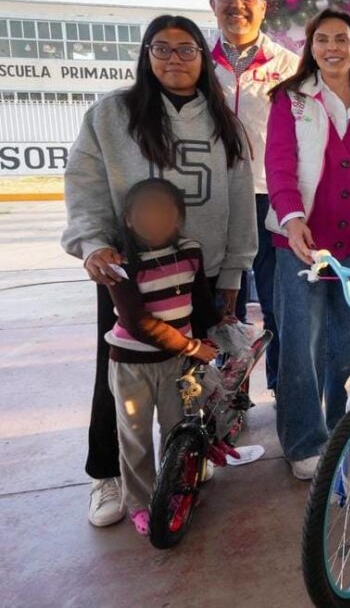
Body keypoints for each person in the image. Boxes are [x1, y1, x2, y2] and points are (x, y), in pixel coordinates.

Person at [62, 14, 256, 528]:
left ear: (203, 57)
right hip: (126, 274)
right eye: (162, 48)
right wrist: (93, 245)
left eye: (186, 49)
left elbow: (239, 201)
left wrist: (233, 272)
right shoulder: (111, 115)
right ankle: (108, 474)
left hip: (197, 271)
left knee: (188, 376)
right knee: (120, 376)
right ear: (146, 55)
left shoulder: (224, 123)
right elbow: (83, 185)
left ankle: (183, 458)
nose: (174, 58)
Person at [265, 8, 350, 480]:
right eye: (322, 39)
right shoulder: (291, 99)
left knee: (345, 344)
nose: (332, 47)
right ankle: (303, 441)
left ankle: (338, 425)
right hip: (298, 244)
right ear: (311, 48)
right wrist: (292, 219)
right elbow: (278, 165)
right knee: (301, 344)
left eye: (341, 39)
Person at [104, 179, 222, 535]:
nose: (155, 219)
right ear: (128, 219)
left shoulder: (190, 251)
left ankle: (175, 490)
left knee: (177, 430)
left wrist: (214, 326)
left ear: (178, 218)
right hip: (131, 365)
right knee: (135, 439)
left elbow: (199, 302)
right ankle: (141, 502)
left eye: (164, 212)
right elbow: (138, 324)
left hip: (177, 366)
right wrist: (191, 347)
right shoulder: (119, 263)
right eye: (145, 212)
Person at [209, 0, 300, 391]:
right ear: (212, 4)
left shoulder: (290, 67)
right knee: (223, 306)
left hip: (271, 199)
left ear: (263, 7)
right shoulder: (196, 63)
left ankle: (283, 388)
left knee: (279, 303)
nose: (237, 5)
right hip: (214, 201)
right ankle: (232, 394)